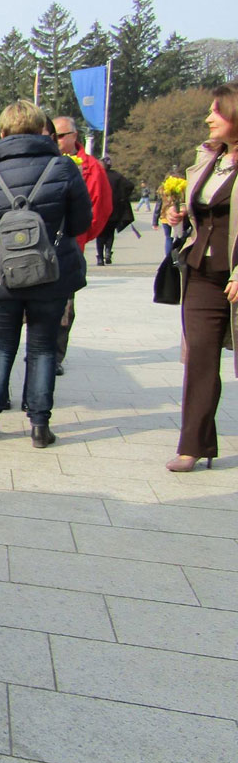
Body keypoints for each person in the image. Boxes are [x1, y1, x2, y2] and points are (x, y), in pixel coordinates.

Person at [0, 101, 91, 448]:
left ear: (2, 133)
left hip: (2, 273)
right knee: (43, 348)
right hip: (52, 272)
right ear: (41, 131)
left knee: (1, 347)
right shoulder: (64, 168)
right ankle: (39, 426)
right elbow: (81, 223)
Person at [165, 83, 238, 472]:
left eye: (217, 111)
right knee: (201, 360)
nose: (208, 118)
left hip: (235, 271)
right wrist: (180, 218)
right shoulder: (208, 158)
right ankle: (193, 445)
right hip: (201, 273)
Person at [52, 116, 112, 375]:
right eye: (53, 135)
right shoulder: (46, 162)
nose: (57, 140)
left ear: (74, 136)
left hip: (71, 245)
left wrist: (80, 236)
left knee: (65, 304)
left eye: (62, 135)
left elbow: (100, 208)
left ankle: (55, 356)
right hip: (43, 244)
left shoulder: (90, 167)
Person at [98, 155, 136, 264]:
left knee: (100, 234)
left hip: (100, 208)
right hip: (114, 208)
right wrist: (123, 196)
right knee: (110, 232)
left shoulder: (98, 175)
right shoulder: (117, 176)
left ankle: (100, 257)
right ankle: (108, 252)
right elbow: (130, 185)